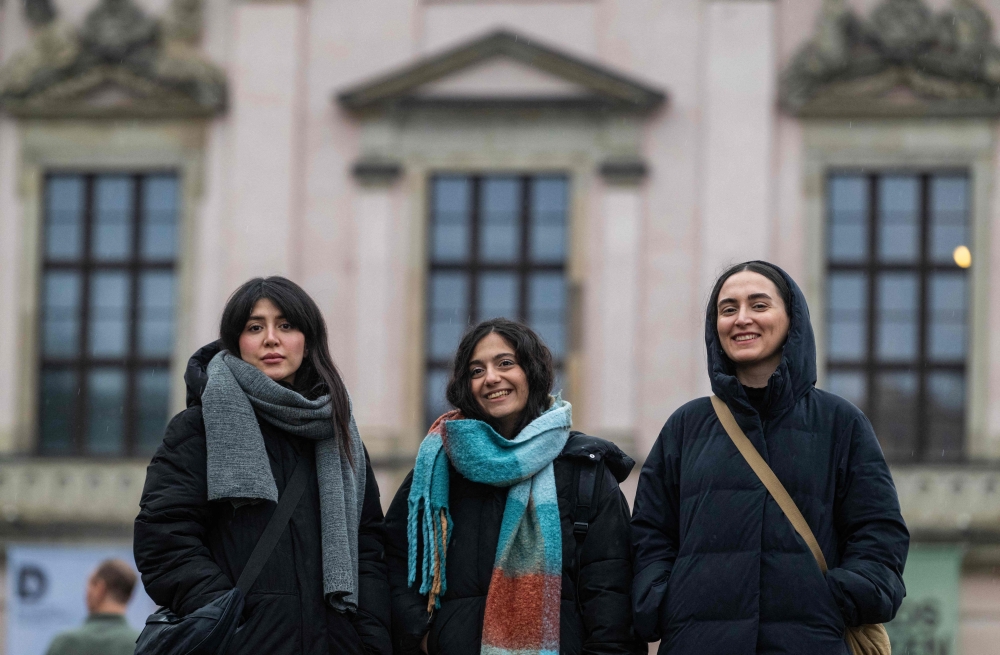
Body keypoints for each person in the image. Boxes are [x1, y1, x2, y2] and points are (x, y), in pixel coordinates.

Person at [631, 261, 909, 654]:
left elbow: (879, 534)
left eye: (759, 305)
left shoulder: (840, 422)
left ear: (791, 319)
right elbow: (650, 534)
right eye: (728, 309)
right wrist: (666, 600)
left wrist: (836, 598)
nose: (742, 319)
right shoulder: (685, 426)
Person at [133, 276, 391, 655]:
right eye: (255, 327)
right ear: (237, 341)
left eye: (286, 325)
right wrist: (231, 618)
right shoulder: (199, 427)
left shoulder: (339, 434)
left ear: (308, 339)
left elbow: (368, 547)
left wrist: (368, 641)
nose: (271, 338)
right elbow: (164, 538)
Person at [385, 318, 644, 655]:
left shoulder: (585, 472)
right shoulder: (438, 465)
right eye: (476, 371)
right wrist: (421, 636)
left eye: (505, 363)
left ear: (532, 372)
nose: (491, 378)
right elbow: (394, 559)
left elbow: (611, 596)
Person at [44, 559, 140, 655]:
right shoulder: (143, 644)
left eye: (89, 584)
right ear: (130, 596)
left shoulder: (65, 643)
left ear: (99, 588)